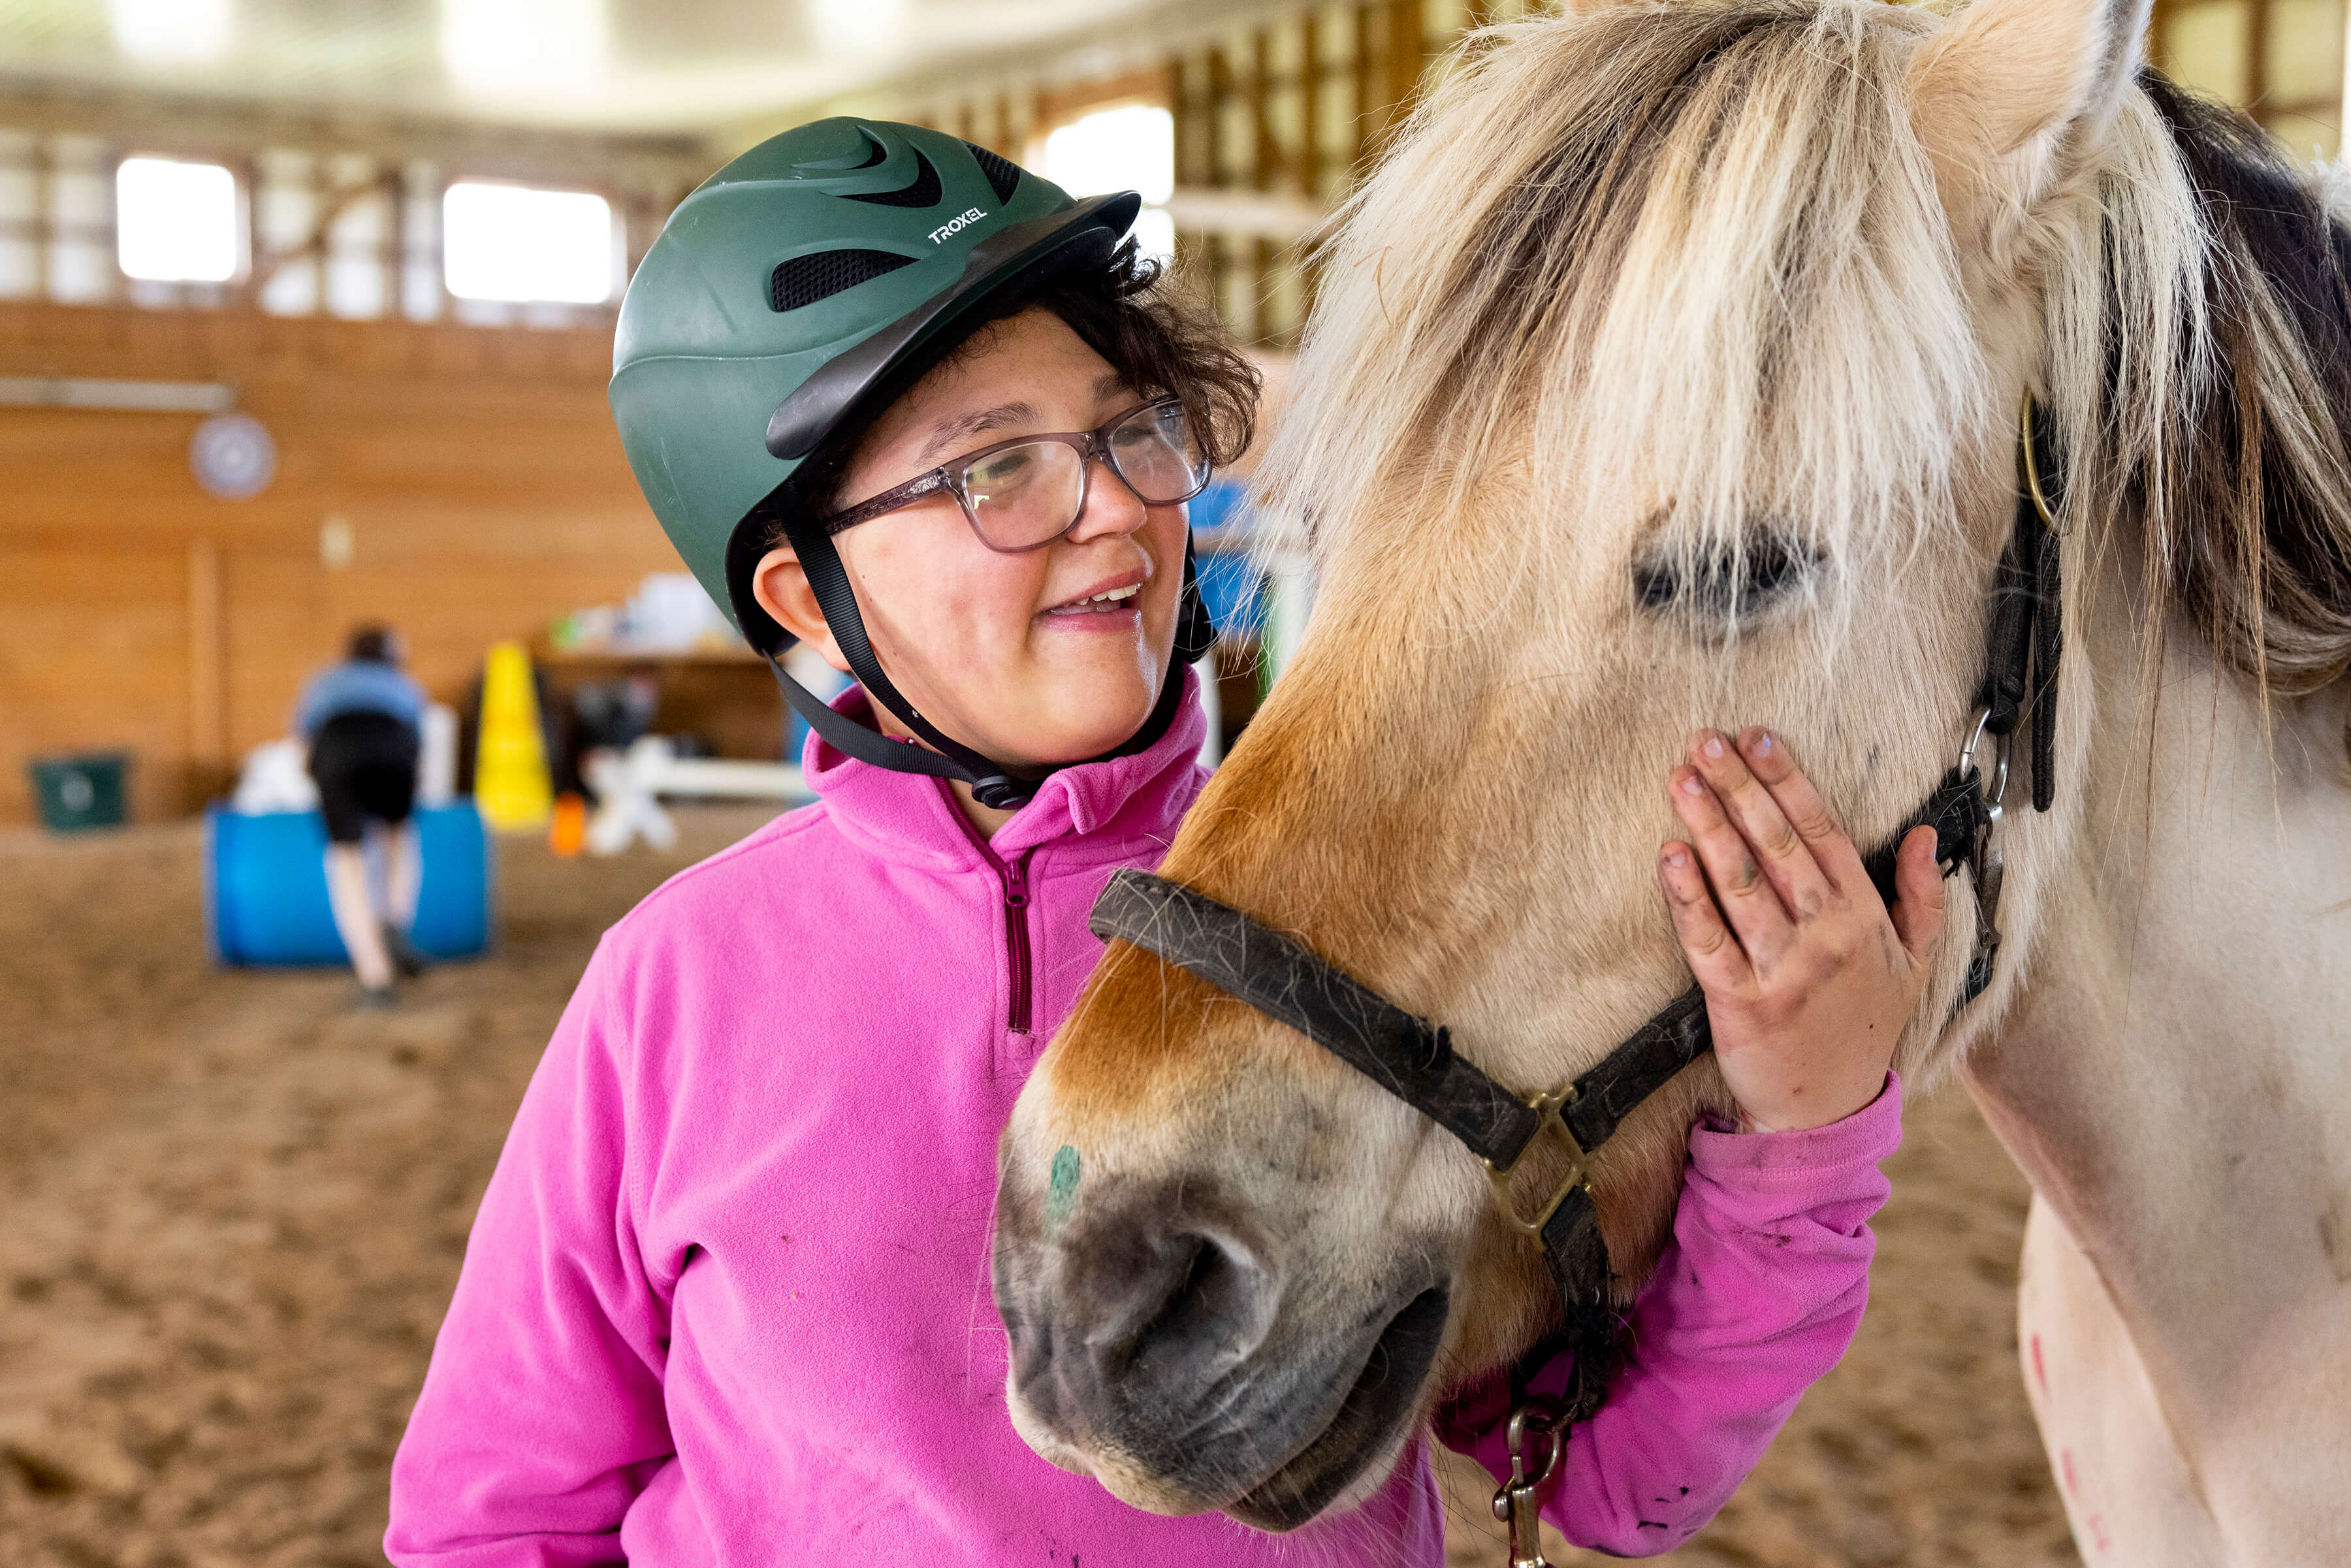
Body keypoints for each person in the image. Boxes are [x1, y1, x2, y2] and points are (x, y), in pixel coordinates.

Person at [386, 121, 1944, 1563]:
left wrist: (1805, 1135)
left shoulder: (1351, 900)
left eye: (1131, 433)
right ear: (805, 599)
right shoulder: (674, 988)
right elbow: (498, 1510)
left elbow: (1611, 1475)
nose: (1119, 514)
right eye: (994, 468)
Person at [295, 624, 428, 1006]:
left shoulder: (323, 681)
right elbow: (419, 745)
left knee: (347, 861)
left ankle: (376, 978)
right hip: (395, 748)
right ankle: (396, 923)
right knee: (398, 838)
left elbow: (302, 743)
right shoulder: (401, 683)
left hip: (336, 751)